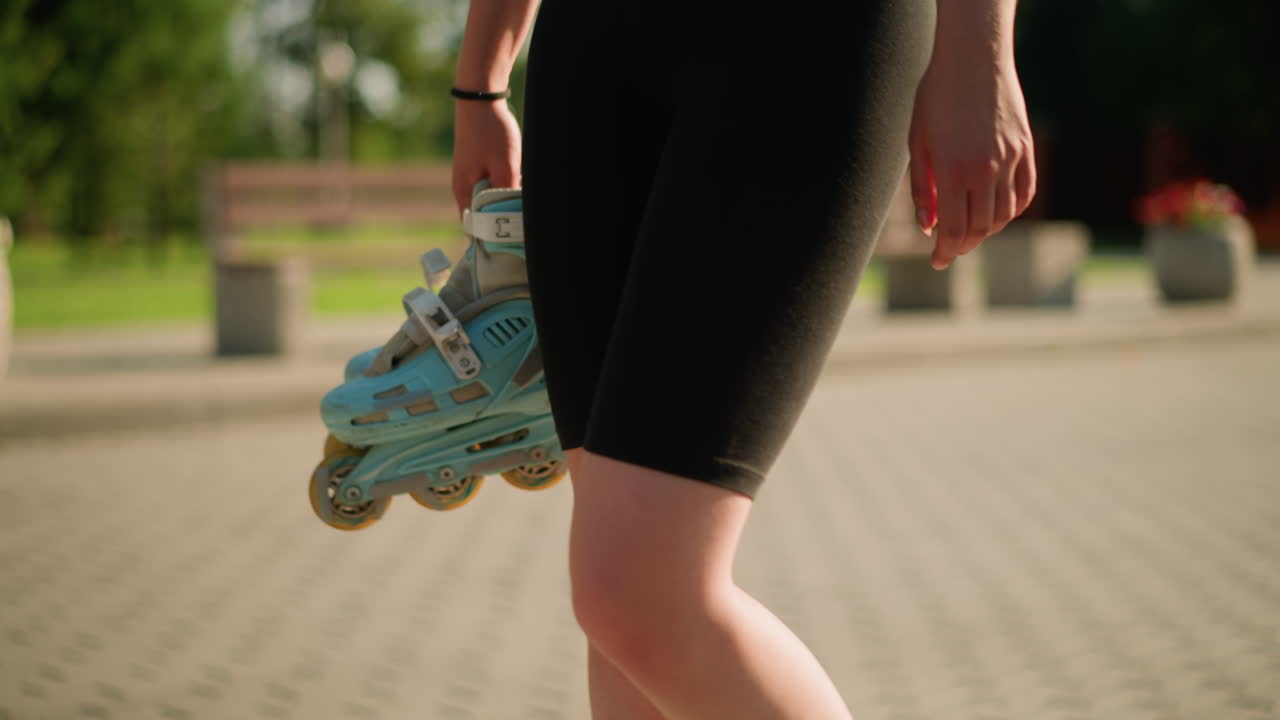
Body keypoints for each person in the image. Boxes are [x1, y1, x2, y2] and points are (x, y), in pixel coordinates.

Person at [450, 0, 1036, 717]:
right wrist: (480, 82)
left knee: (638, 587)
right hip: (591, 51)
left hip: (801, 39)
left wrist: (982, 53)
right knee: (622, 615)